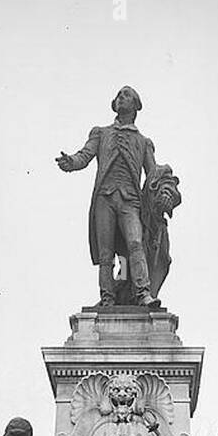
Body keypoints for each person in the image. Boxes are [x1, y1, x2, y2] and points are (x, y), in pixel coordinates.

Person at [55, 85, 162, 309]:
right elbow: (84, 156)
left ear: (135, 106)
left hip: (130, 201)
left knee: (134, 244)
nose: (121, 98)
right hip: (105, 199)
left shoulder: (143, 142)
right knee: (106, 254)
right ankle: (108, 297)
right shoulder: (101, 133)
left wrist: (165, 191)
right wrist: (70, 163)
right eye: (119, 95)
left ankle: (143, 293)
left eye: (126, 95)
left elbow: (154, 175)